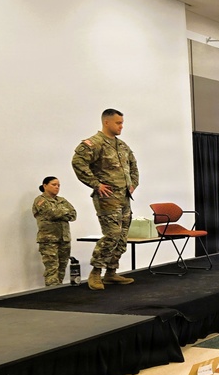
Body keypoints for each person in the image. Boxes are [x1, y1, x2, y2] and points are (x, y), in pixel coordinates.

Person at [72, 108, 139, 290]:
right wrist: (96, 184)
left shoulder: (122, 146)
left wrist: (133, 183)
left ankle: (111, 272)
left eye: (122, 123)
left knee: (123, 237)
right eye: (118, 123)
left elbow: (133, 165)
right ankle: (95, 273)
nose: (121, 126)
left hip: (124, 198)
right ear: (106, 122)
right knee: (112, 235)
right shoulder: (94, 144)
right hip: (107, 198)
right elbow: (78, 162)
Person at [32, 176, 76, 286]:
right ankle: (51, 294)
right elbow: (52, 213)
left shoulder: (62, 200)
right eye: (54, 185)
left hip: (64, 238)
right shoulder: (40, 200)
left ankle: (59, 292)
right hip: (49, 240)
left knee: (62, 268)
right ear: (45, 186)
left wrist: (61, 213)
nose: (57, 187)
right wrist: (64, 213)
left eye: (58, 185)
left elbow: (73, 215)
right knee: (52, 269)